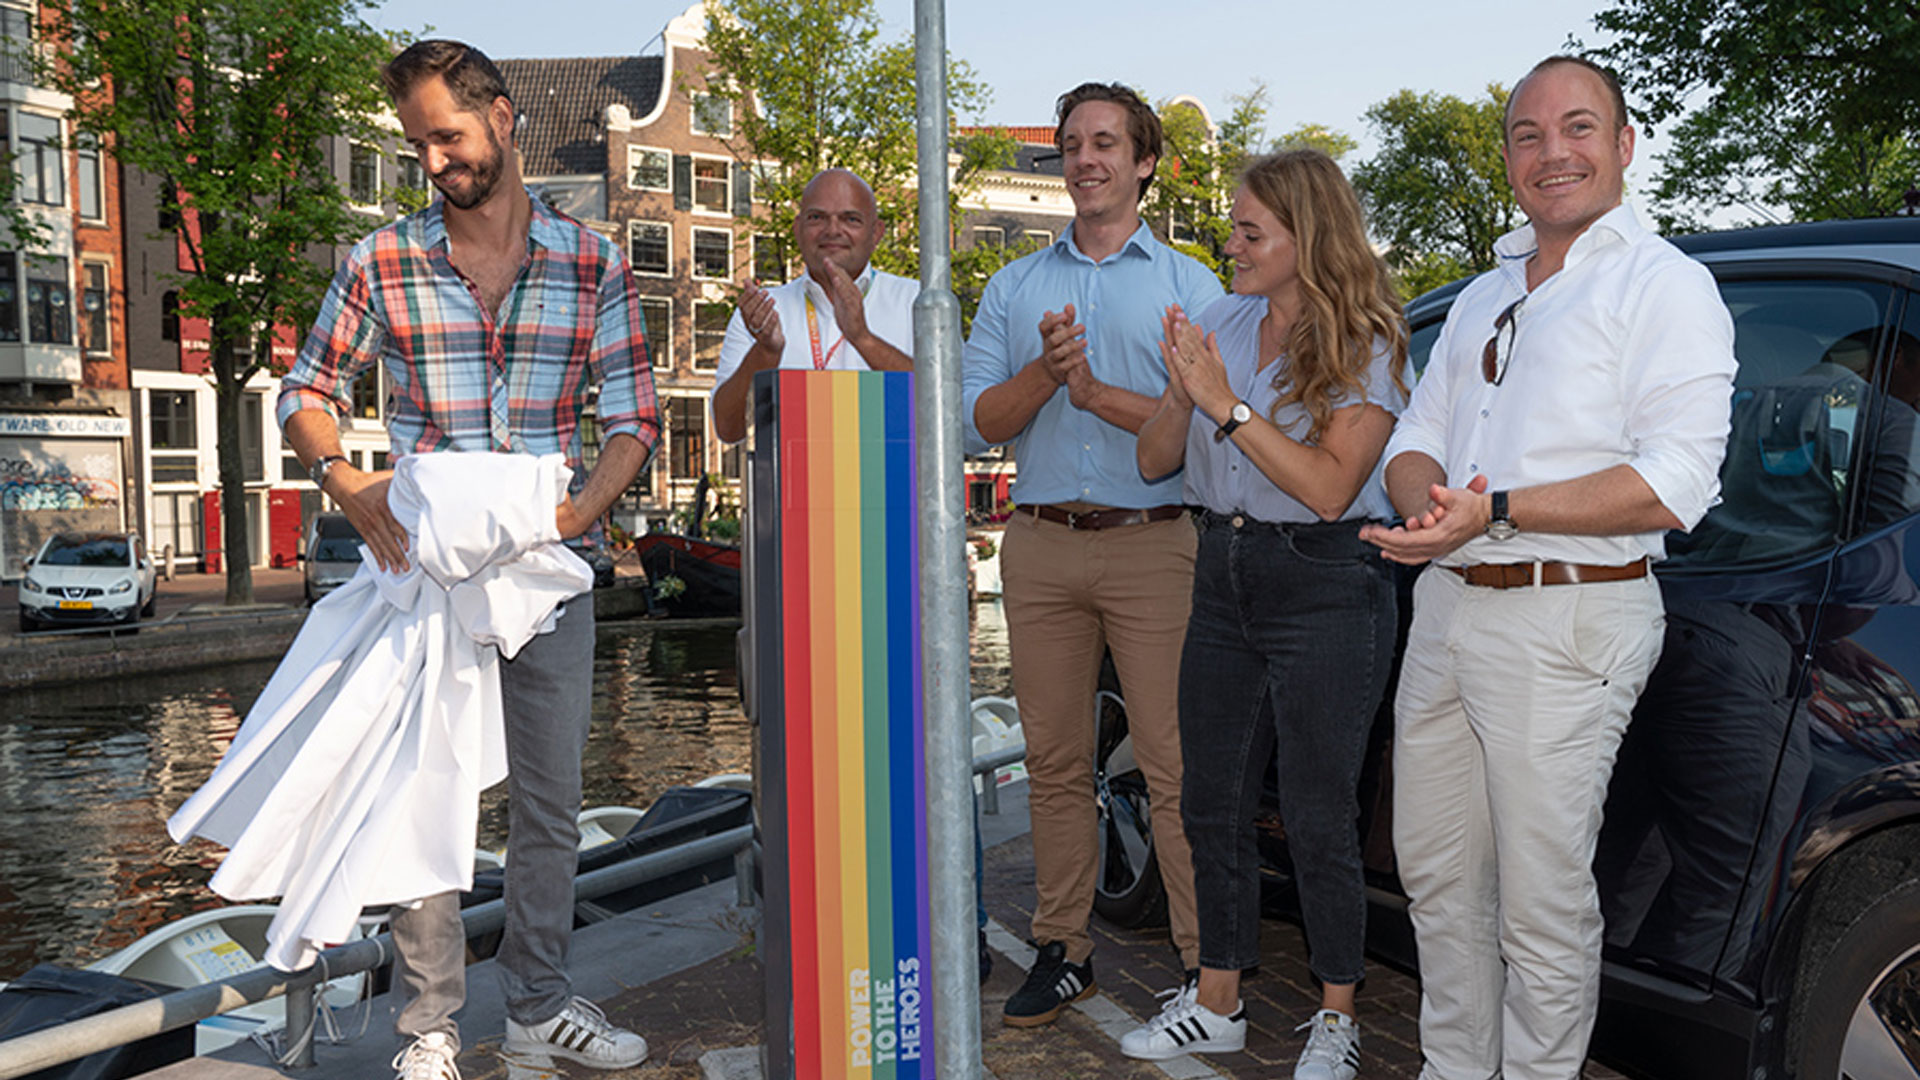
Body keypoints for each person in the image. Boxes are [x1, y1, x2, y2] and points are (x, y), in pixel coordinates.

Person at [279, 39, 659, 1080]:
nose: (433, 160)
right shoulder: (380, 260)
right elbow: (305, 394)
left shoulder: (594, 261)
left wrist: (582, 508)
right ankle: (430, 1031)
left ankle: (536, 1005)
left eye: (446, 135)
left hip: (546, 575)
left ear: (502, 118)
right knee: (426, 796)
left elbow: (632, 413)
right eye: (417, 144)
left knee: (548, 802)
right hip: (427, 578)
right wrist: (348, 487)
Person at [1358, 56, 1736, 1080]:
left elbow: (1676, 483)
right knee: (1436, 882)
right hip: (1447, 604)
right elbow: (1410, 441)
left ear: (1621, 145)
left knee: (1539, 902)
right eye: (1528, 134)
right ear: (1511, 158)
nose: (1552, 151)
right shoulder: (1483, 295)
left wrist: (1498, 511)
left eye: (1578, 127)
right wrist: (1435, 513)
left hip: (1571, 617)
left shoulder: (1666, 285)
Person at [1122, 149, 1407, 1077]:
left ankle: (1334, 1016)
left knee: (1321, 814)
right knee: (1212, 800)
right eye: (1234, 229)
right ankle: (1217, 1002)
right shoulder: (1218, 319)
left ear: (1306, 238)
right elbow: (1155, 464)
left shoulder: (1367, 337)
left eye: (1252, 233)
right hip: (1223, 566)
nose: (1232, 246)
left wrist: (1227, 403)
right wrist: (1179, 388)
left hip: (1327, 581)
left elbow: (1331, 489)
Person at [961, 81, 1222, 1028]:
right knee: (1057, 762)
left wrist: (1095, 387)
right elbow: (972, 423)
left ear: (1144, 162)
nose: (1084, 159)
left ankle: (1206, 965)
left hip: (1155, 543)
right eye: (1071, 144)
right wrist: (1047, 373)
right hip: (1038, 546)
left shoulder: (1192, 286)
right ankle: (1064, 949)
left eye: (1106, 142)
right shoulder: (1015, 286)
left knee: (1173, 763)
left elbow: (1215, 430)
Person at [711, 167, 914, 444]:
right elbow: (727, 429)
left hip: (891, 483)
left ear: (877, 232)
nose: (832, 230)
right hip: (792, 484)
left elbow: (949, 411)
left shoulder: (918, 303)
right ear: (797, 229)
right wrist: (766, 352)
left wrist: (863, 339)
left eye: (851, 219)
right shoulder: (763, 311)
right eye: (817, 218)